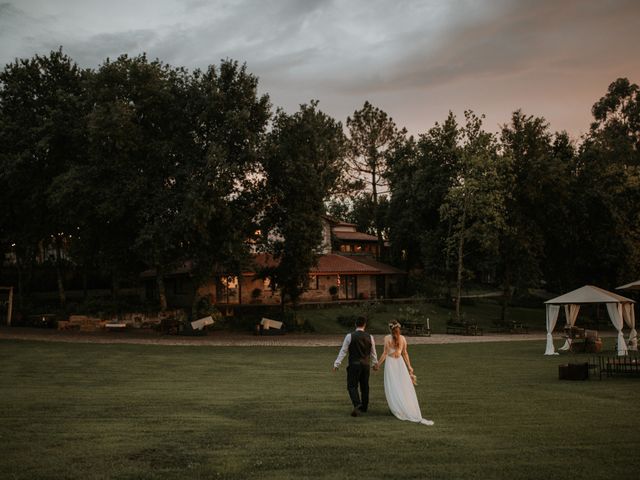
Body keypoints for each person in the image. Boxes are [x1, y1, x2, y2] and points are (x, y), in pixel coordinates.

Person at [377, 321, 434, 426]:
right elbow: (404, 353)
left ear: (390, 329)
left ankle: (397, 407)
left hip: (391, 365)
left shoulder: (387, 338)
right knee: (403, 385)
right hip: (400, 364)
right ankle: (404, 406)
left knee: (393, 386)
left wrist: (378, 364)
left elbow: (385, 353)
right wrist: (409, 366)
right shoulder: (402, 338)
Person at [333, 316, 378, 417]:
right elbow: (373, 352)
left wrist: (337, 363)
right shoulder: (370, 337)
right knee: (365, 386)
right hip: (366, 365)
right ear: (364, 325)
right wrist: (375, 363)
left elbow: (343, 351)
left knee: (352, 386)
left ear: (355, 324)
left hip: (354, 365)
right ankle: (364, 407)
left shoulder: (349, 336)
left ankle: (357, 404)